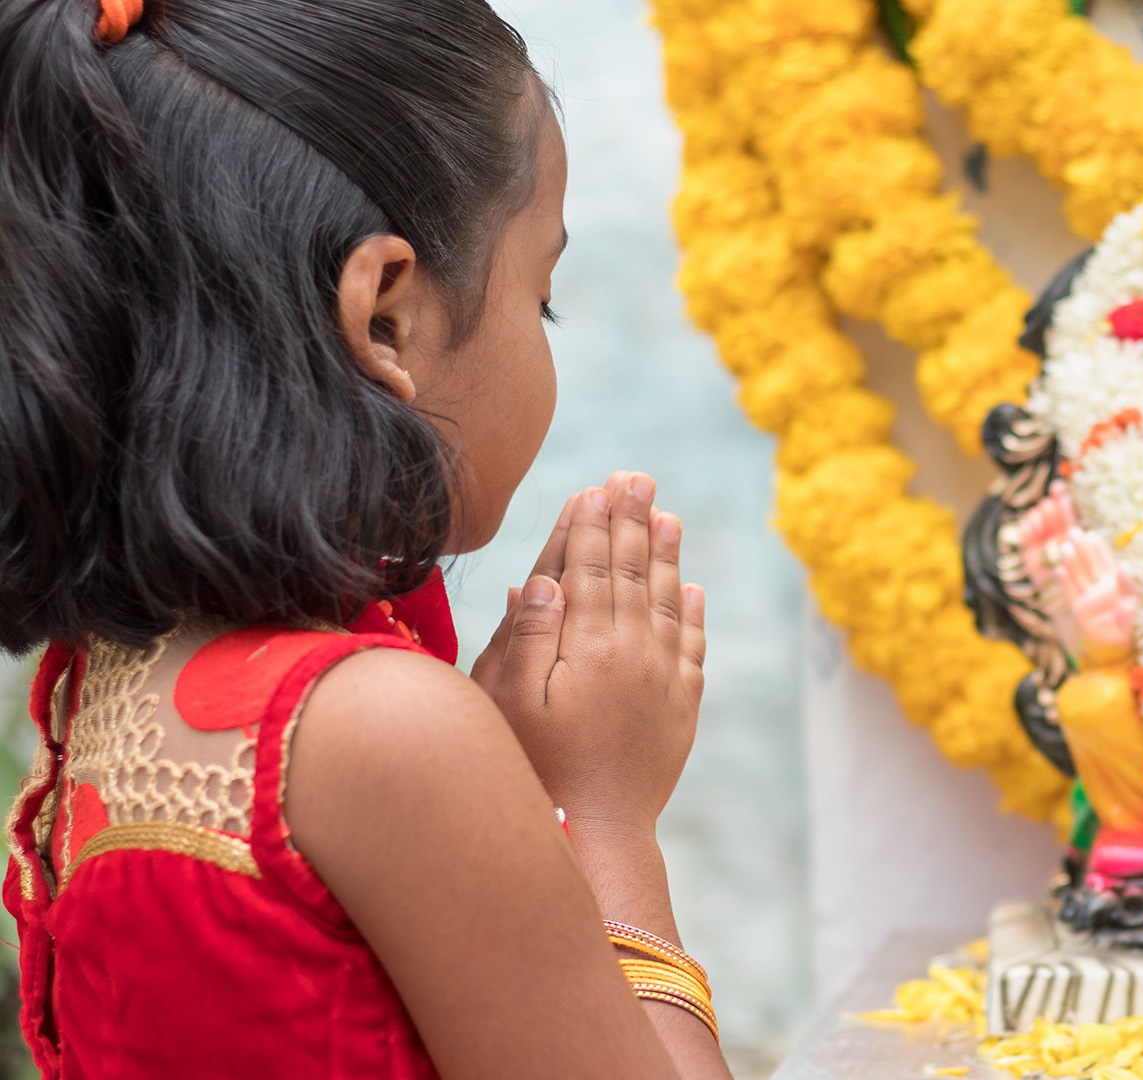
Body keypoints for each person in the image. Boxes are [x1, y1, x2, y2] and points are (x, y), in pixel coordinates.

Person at [0, 0, 730, 1075]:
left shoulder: (99, 683)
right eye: (544, 297)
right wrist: (605, 812)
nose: (545, 335)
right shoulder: (378, 733)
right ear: (386, 315)